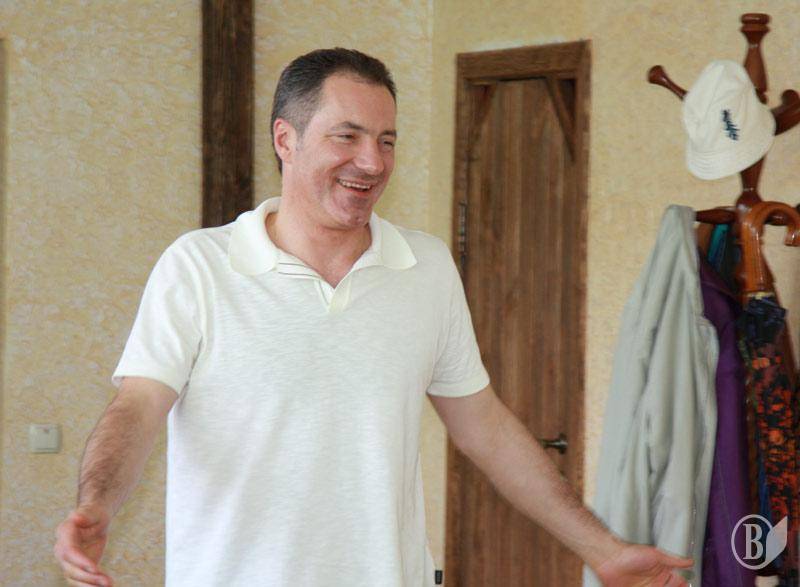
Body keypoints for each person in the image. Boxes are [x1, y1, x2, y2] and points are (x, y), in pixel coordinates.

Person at [54, 48, 693, 587]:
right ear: (285, 139)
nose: (373, 161)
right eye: (348, 136)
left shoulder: (426, 267)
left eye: (386, 141)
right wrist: (97, 504)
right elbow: (139, 405)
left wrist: (602, 549)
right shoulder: (198, 266)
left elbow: (486, 429)